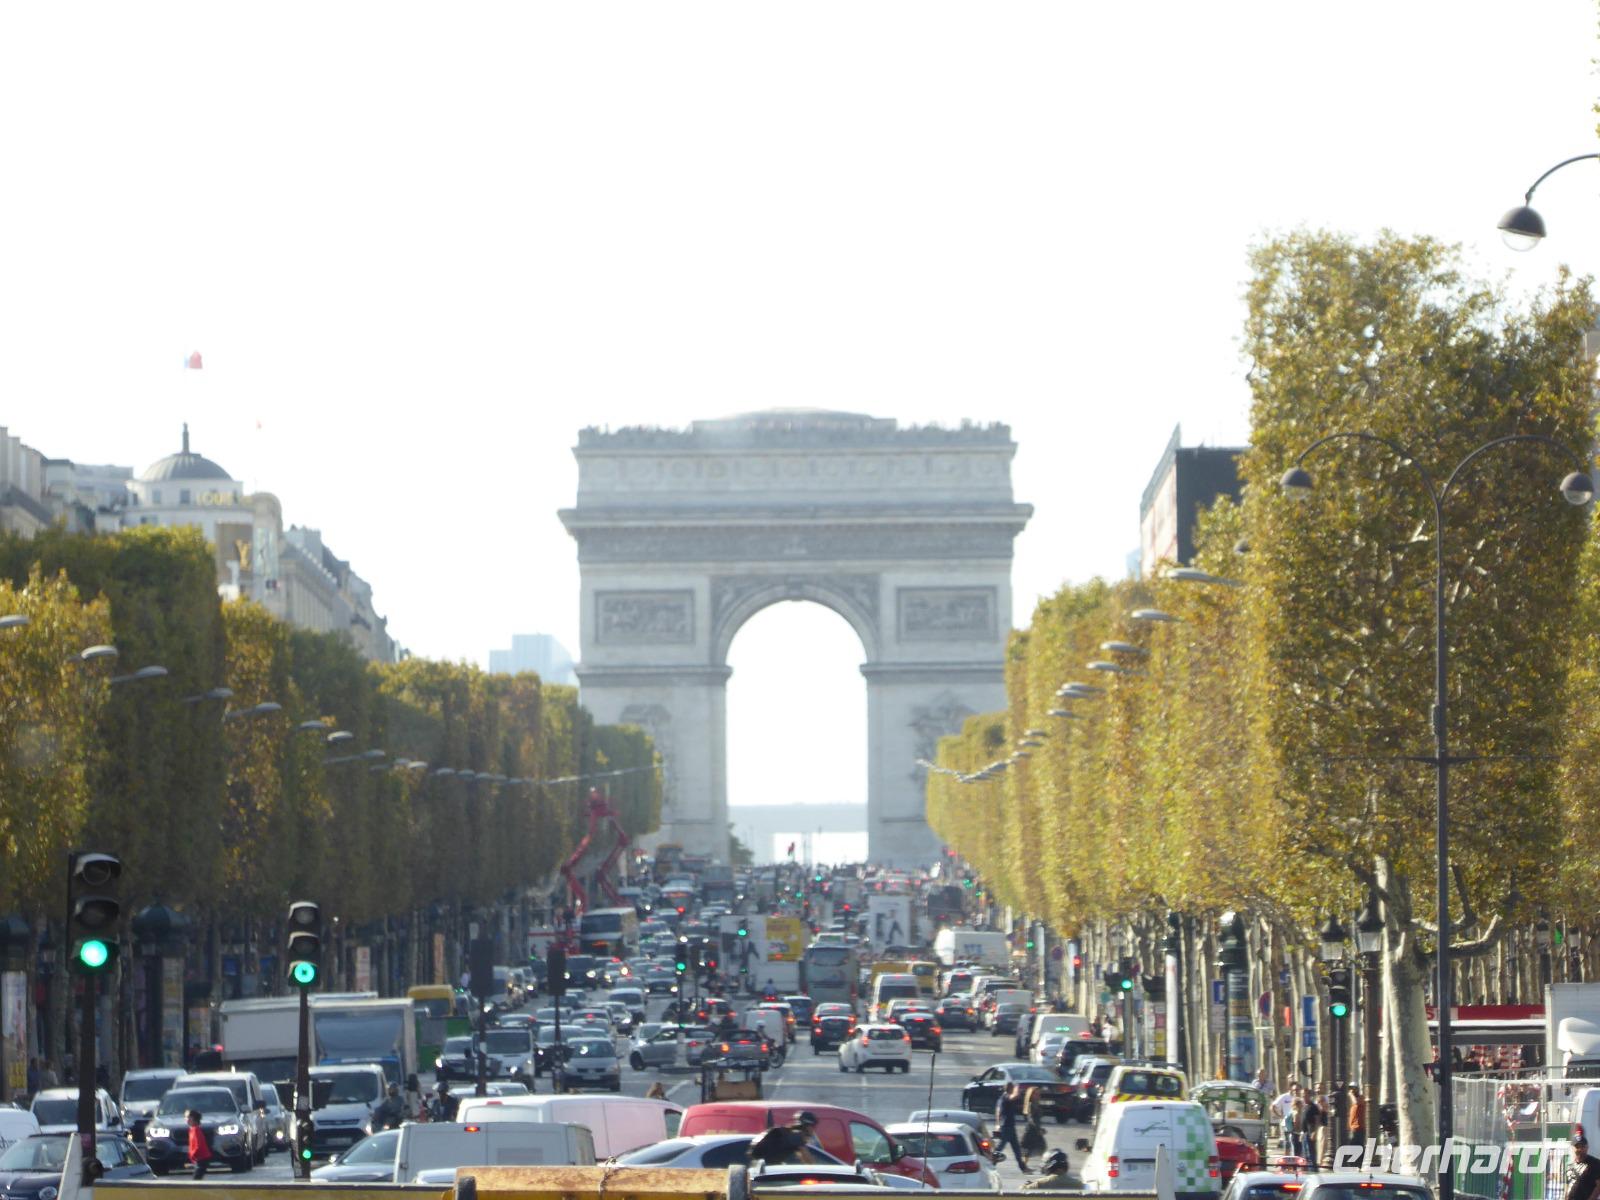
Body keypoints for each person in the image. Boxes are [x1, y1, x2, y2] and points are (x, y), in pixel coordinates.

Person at [749, 1111, 825, 1165]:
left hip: (758, 1164)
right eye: (813, 1127)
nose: (813, 1130)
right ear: (809, 1126)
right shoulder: (797, 1136)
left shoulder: (787, 1131)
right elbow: (809, 1163)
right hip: (768, 1168)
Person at [995, 1083, 1032, 1174]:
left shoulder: (1001, 1099)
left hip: (1009, 1126)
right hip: (1007, 1127)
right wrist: (1017, 1088)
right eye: (1012, 1088)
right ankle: (989, 1164)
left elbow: (997, 1111)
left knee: (1016, 1149)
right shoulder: (1006, 1097)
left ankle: (1023, 1168)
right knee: (999, 1149)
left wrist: (997, 1124)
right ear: (1009, 1089)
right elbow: (1014, 1097)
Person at [1569, 1136, 1600, 1200]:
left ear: (1587, 1148)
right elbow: (1569, 1185)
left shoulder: (1595, 1163)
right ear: (1572, 1148)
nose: (1580, 1149)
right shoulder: (1570, 1165)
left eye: (1582, 1147)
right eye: (1577, 1147)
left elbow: (1598, 1186)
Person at [187, 1109, 213, 1180]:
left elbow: (199, 1145)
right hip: (198, 1158)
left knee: (196, 1179)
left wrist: (193, 1155)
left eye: (189, 1118)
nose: (187, 1120)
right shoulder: (192, 1130)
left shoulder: (196, 1130)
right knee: (197, 1178)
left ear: (195, 1120)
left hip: (202, 1158)